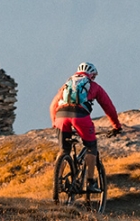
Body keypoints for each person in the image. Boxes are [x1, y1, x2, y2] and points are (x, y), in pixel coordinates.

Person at [49, 61, 122, 192]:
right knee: (91, 146)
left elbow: (53, 105)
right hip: (79, 116)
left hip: (61, 116)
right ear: (92, 76)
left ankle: (57, 183)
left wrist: (55, 122)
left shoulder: (66, 85)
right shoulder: (94, 86)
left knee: (64, 150)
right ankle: (90, 183)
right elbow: (108, 107)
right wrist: (116, 126)